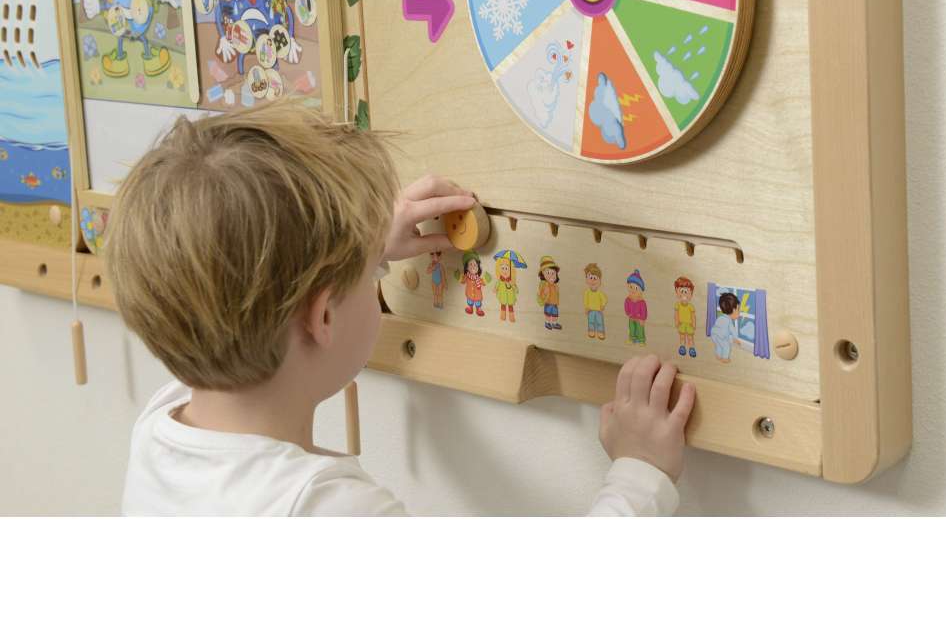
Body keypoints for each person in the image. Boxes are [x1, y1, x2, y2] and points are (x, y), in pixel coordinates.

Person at [108, 102, 693, 516]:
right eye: (368, 277)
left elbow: (223, 283)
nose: (375, 276)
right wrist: (640, 474)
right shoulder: (325, 511)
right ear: (324, 318)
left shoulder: (161, 430)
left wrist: (354, 253)